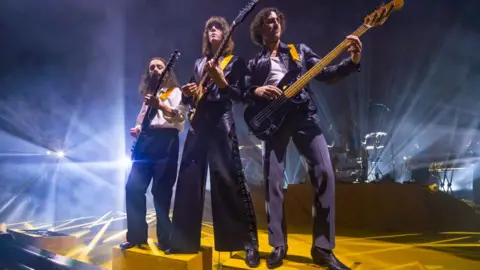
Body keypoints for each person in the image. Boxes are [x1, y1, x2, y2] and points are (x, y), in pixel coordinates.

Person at [244, 7, 363, 270]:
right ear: (260, 29)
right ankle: (278, 245)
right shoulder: (254, 62)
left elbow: (327, 75)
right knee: (272, 180)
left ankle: (322, 248)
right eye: (268, 20)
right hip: (272, 122)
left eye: (277, 20)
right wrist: (257, 89)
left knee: (325, 173)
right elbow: (243, 90)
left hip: (303, 115)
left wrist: (352, 60)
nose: (274, 23)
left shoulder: (299, 52)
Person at [166, 16, 260, 268]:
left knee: (229, 179)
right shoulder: (198, 63)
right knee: (188, 178)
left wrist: (222, 82)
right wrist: (188, 94)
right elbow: (192, 98)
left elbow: (242, 95)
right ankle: (182, 241)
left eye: (218, 28)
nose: (213, 31)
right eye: (209, 28)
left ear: (226, 34)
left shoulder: (236, 62)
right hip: (198, 123)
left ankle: (247, 244)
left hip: (221, 120)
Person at [120, 57, 185, 251]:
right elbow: (142, 120)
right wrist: (137, 129)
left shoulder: (176, 92)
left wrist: (161, 105)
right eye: (151, 67)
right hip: (146, 143)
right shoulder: (148, 96)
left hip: (166, 141)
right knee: (133, 188)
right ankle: (136, 236)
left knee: (161, 192)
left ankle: (166, 240)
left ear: (167, 71)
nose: (155, 69)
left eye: (159, 66)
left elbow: (180, 118)